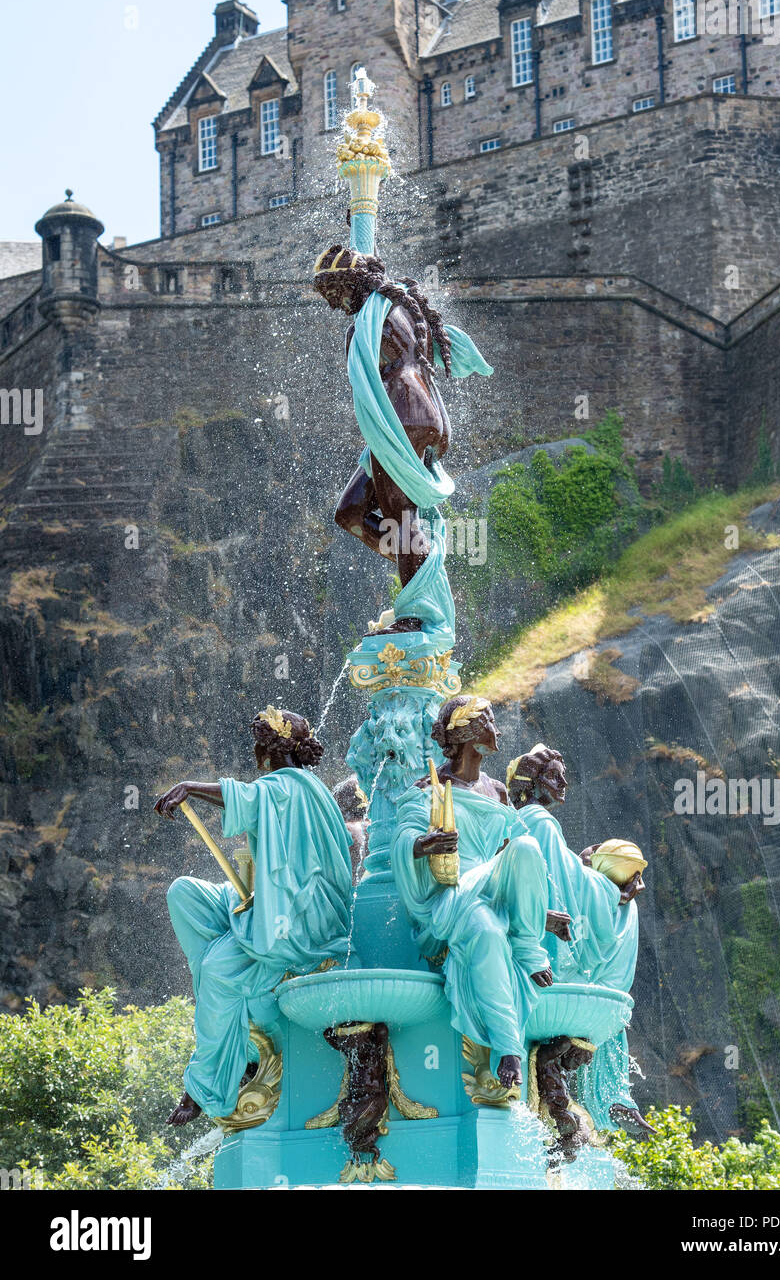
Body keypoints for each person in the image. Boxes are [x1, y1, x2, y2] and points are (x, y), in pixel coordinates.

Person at [154, 707, 354, 1124]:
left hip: (302, 923)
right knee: (186, 895)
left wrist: (189, 787)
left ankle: (206, 1085)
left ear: (269, 749)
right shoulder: (294, 786)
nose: (254, 753)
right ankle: (233, 1012)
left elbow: (246, 797)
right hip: (276, 903)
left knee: (217, 970)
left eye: (258, 744)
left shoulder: (291, 785)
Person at [390, 696, 570, 1089]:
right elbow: (401, 838)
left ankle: (527, 946)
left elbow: (522, 863)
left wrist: (538, 915)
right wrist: (424, 845)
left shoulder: (499, 793)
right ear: (469, 733)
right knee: (486, 930)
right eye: (489, 721)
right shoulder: (432, 787)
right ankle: (509, 1048)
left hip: (493, 889)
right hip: (453, 897)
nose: (498, 729)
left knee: (526, 847)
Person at [313, 245, 492, 631]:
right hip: (417, 416)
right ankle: (420, 568)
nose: (333, 305)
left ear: (352, 282)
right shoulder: (393, 305)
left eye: (333, 293)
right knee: (350, 513)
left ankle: (416, 611)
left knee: (402, 517)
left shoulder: (375, 313)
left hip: (404, 415)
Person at [506, 744, 655, 1137]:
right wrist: (609, 886)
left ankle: (603, 1097)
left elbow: (562, 872)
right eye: (555, 774)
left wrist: (588, 865)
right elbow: (565, 882)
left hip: (531, 937)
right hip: (541, 944)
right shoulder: (537, 820)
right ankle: (610, 1096)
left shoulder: (528, 820)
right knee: (626, 914)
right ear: (534, 782)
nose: (565, 781)